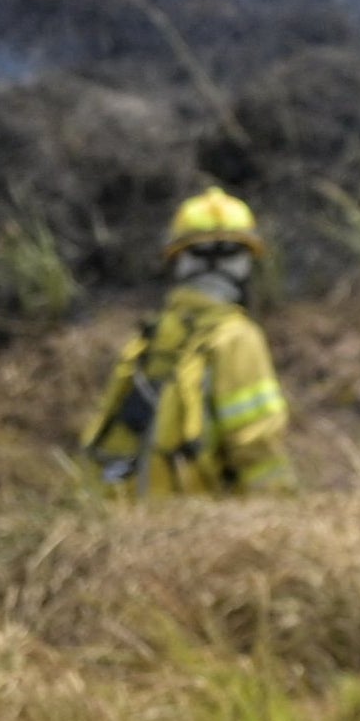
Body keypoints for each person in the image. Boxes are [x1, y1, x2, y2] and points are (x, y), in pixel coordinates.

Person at [82, 187, 294, 497]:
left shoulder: (154, 335)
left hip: (132, 514)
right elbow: (256, 444)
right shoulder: (238, 338)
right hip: (198, 521)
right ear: (244, 263)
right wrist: (281, 516)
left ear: (179, 260)